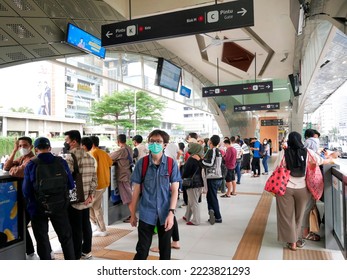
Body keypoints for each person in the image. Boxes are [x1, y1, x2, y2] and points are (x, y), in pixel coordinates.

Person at [275, 131, 333, 251]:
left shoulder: (284, 153)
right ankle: (296, 239)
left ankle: (292, 242)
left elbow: (276, 168)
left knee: (286, 216)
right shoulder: (308, 152)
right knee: (299, 216)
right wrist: (331, 158)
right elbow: (321, 161)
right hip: (302, 189)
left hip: (285, 189)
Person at [130, 129, 181, 260]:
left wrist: (171, 213)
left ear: (165, 145)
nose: (155, 144)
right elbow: (136, 190)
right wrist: (132, 214)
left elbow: (175, 190)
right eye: (152, 141)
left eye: (158, 141)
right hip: (146, 213)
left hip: (165, 214)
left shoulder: (171, 164)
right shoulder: (142, 163)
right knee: (142, 250)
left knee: (165, 252)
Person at [22, 137, 75, 260]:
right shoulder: (61, 162)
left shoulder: (31, 164)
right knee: (66, 238)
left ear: (35, 150)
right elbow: (71, 184)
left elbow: (26, 191)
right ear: (50, 148)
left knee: (42, 239)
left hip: (38, 207)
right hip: (60, 205)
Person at [3, 136, 41, 260]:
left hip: (32, 199)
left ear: (31, 147)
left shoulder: (32, 159)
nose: (22, 148)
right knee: (24, 225)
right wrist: (14, 151)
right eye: (19, 146)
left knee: (26, 225)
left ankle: (32, 253)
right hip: (25, 199)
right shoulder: (22, 158)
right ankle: (33, 253)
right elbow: (6, 168)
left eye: (24, 145)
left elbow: (16, 172)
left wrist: (14, 169)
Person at [64, 130, 97, 260]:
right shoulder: (90, 157)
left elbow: (67, 178)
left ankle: (76, 255)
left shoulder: (70, 157)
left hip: (75, 199)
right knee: (86, 224)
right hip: (86, 199)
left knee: (75, 228)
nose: (65, 143)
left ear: (74, 141)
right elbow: (95, 178)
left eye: (67, 140)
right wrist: (91, 195)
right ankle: (87, 250)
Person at [89, 136, 113, 237]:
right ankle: (99, 228)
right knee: (95, 206)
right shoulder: (103, 152)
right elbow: (110, 163)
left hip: (96, 185)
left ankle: (99, 227)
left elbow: (92, 169)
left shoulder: (92, 153)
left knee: (90, 206)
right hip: (104, 183)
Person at [109, 134, 133, 223]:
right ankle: (132, 214)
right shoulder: (129, 148)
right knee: (129, 195)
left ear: (118, 141)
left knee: (128, 196)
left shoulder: (121, 150)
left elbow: (109, 156)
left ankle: (132, 216)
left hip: (123, 176)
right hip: (128, 174)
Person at [202, 135, 223, 224]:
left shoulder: (213, 150)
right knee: (209, 196)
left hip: (213, 177)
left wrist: (201, 161)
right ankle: (212, 212)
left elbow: (210, 163)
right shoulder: (217, 151)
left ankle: (218, 216)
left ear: (211, 141)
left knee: (212, 197)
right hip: (216, 176)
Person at [182, 143, 204, 225]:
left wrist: (182, 176)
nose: (189, 148)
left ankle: (196, 220)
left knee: (194, 202)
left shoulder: (191, 159)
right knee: (191, 200)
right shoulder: (200, 159)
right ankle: (187, 216)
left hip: (192, 183)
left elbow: (186, 172)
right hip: (199, 183)